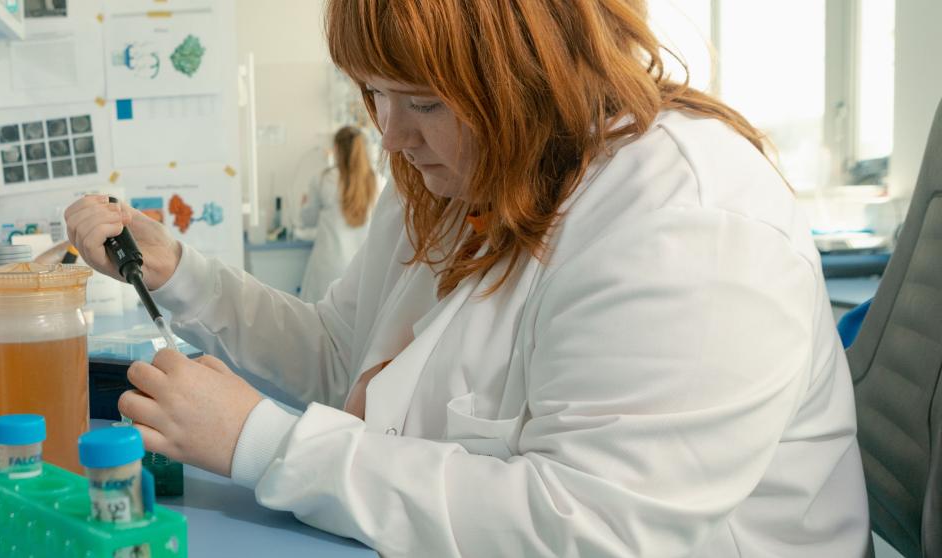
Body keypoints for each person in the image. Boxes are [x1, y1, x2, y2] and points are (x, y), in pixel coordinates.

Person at [65, 0, 868, 555]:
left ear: (534, 75)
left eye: (422, 101)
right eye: (374, 94)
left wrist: (265, 444)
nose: (391, 133)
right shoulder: (458, 178)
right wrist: (179, 274)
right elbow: (344, 356)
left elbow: (592, 532)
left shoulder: (686, 222)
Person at [297, 126, 380, 302]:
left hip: (329, 267)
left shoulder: (324, 179)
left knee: (317, 323)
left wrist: (303, 205)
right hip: (361, 269)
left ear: (336, 149)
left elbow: (308, 220)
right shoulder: (378, 181)